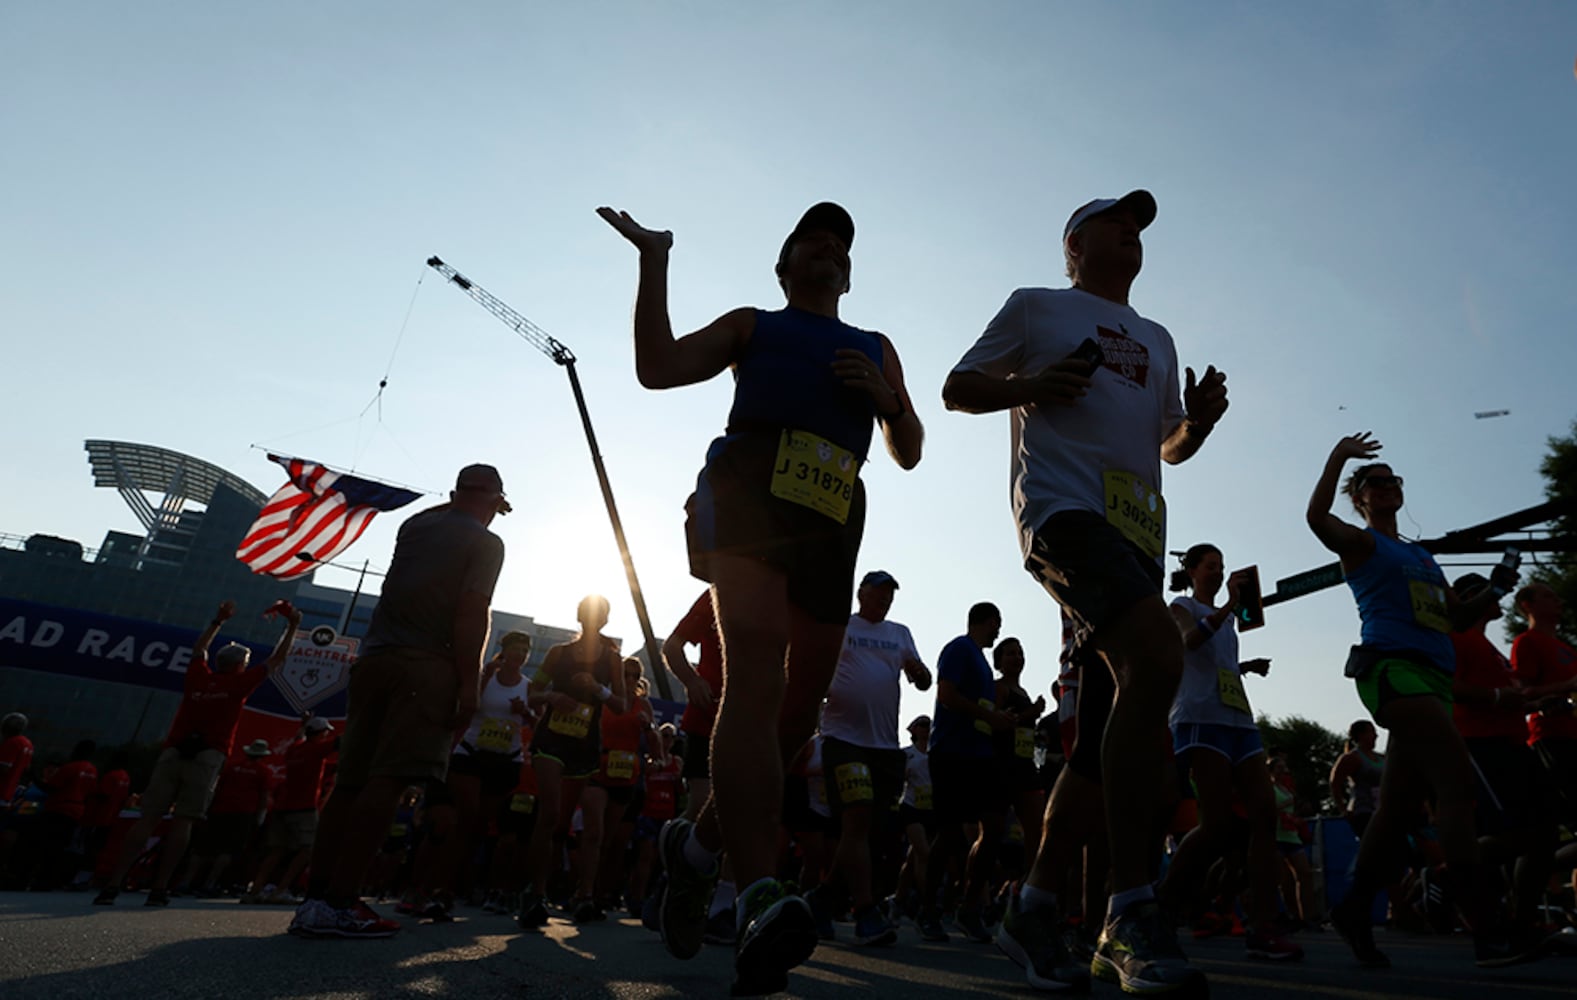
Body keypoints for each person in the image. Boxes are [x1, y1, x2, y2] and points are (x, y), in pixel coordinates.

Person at [600, 200, 922, 995]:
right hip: (749, 489)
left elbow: (909, 450)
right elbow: (657, 367)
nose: (828, 246)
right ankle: (754, 896)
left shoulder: (877, 346)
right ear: (783, 266)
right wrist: (654, 260)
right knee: (755, 677)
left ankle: (698, 849)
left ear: (849, 271)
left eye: (840, 241)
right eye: (812, 238)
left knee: (794, 718)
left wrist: (885, 402)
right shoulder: (753, 324)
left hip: (834, 508)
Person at [943, 190, 1228, 994]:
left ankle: (1030, 908)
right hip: (1063, 516)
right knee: (1157, 657)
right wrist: (1031, 382)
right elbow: (957, 388)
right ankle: (1129, 908)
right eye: (1115, 223)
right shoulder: (1036, 307)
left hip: (1137, 536)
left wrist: (1196, 423)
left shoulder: (1158, 337)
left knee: (1104, 740)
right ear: (1073, 244)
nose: (1131, 235)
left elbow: (1168, 446)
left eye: (1139, 228)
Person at [1306, 433, 1535, 968]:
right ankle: (1488, 928)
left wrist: (1497, 588)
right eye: (1374, 483)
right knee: (1455, 788)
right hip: (1392, 670)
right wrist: (1339, 458)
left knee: (1397, 807)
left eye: (1393, 481)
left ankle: (1355, 908)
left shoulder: (1420, 555)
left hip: (1431, 677)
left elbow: (1453, 617)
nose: (1387, 487)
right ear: (1360, 498)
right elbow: (1317, 519)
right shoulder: (1363, 545)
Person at [293, 464, 508, 938]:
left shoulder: (414, 526)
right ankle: (343, 901)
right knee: (387, 782)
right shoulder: (486, 543)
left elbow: (450, 507)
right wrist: (470, 685)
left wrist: (467, 498)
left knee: (349, 782)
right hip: (427, 665)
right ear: (494, 501)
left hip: (374, 659)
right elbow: (471, 612)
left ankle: (316, 900)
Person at [96, 599, 302, 906]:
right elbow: (276, 660)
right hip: (208, 755)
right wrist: (293, 626)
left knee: (148, 818)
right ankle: (160, 888)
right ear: (240, 666)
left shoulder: (198, 676)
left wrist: (217, 622)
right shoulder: (238, 684)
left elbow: (196, 651)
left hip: (174, 751)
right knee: (184, 821)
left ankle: (113, 884)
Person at [1159, 543, 1300, 961]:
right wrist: (1229, 608)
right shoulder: (1181, 605)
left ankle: (1263, 926)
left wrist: (1245, 666)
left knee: (1264, 816)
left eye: (1222, 567)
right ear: (1192, 570)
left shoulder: (1229, 621)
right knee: (1216, 825)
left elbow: (1217, 663)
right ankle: (1164, 906)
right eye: (1211, 566)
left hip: (1238, 717)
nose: (1218, 573)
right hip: (1200, 719)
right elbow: (1190, 643)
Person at [816, 569, 930, 947]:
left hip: (884, 747)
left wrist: (918, 671)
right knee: (858, 816)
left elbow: (924, 679)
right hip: (843, 739)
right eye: (879, 592)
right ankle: (865, 911)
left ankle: (822, 899)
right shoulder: (842, 626)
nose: (884, 598)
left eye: (889, 594)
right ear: (861, 593)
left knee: (866, 831)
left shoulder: (899, 633)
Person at [1451, 572, 1559, 941]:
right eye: (1491, 593)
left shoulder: (1488, 647)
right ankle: (1455, 869)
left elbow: (1509, 693)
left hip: (1515, 743)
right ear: (1473, 598)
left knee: (1546, 835)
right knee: (1517, 834)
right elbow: (1445, 685)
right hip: (1483, 744)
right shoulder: (1458, 638)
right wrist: (1499, 699)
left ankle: (1523, 922)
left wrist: (1538, 702)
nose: (1499, 599)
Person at [516, 595, 628, 928]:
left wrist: (598, 689)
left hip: (584, 744)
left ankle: (580, 894)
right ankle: (535, 893)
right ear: (579, 617)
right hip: (551, 738)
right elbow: (531, 693)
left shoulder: (613, 660)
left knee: (565, 824)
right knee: (549, 813)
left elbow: (622, 704)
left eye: (600, 614)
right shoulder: (558, 653)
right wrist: (551, 696)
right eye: (589, 613)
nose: (593, 619)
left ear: (606, 621)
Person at [919, 601, 1013, 944]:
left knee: (994, 826)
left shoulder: (982, 662)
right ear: (984, 621)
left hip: (980, 757)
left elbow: (981, 711)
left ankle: (969, 908)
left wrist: (1000, 720)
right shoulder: (959, 649)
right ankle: (928, 910)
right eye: (996, 623)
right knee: (949, 835)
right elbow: (946, 696)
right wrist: (990, 717)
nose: (998, 630)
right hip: (950, 754)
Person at [430, 629, 533, 918]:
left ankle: (475, 887)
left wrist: (525, 712)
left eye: (524, 651)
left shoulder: (528, 685)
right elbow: (468, 702)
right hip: (473, 752)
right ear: (505, 650)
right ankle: (441, 890)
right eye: (515, 649)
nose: (520, 655)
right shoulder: (487, 675)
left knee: (485, 826)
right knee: (466, 816)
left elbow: (537, 722)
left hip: (506, 758)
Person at [1509, 582, 1577, 825]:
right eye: (1549, 596)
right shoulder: (1526, 642)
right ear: (1528, 606)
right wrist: (1567, 685)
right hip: (1551, 736)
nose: (1558, 601)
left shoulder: (1567, 648)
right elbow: (1522, 693)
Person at [250, 716, 337, 903]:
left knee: (276, 850)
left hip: (283, 806)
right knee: (308, 849)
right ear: (320, 733)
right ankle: (281, 889)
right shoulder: (317, 749)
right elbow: (342, 741)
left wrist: (303, 724)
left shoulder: (294, 749)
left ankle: (255, 889)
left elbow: (299, 737)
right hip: (304, 808)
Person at [662, 591, 723, 823]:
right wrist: (692, 680)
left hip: (754, 724)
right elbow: (672, 646)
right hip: (707, 719)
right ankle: (677, 844)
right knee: (702, 807)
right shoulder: (717, 594)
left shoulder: (781, 597)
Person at [992, 638, 1048, 861]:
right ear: (999, 662)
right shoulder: (999, 688)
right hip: (1003, 766)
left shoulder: (1023, 692)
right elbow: (993, 722)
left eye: (1019, 653)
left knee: (1036, 828)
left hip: (1026, 766)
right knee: (993, 831)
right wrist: (1030, 714)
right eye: (1010, 654)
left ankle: (1028, 884)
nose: (1017, 658)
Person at [1329, 721, 1383, 839]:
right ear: (1360, 735)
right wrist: (1343, 809)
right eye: (1371, 732)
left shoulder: (1382, 758)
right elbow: (1335, 784)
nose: (1376, 736)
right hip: (1364, 811)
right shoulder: (1352, 758)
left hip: (1383, 810)